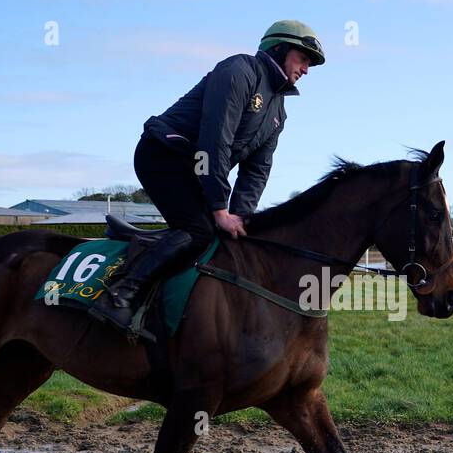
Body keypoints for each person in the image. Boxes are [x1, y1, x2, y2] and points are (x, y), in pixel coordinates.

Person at [91, 19, 324, 333]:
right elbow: (215, 141)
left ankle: (154, 266)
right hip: (162, 156)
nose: (306, 69)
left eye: (309, 63)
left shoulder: (278, 112)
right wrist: (218, 207)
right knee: (199, 230)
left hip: (197, 169)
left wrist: (241, 217)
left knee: (221, 236)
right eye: (303, 58)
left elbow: (257, 171)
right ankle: (120, 293)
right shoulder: (238, 71)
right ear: (278, 48)